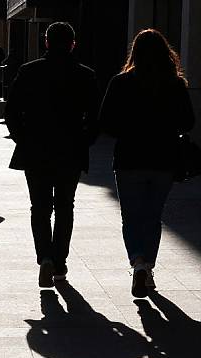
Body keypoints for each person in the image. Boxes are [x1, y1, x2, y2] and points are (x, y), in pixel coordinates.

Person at [99, 29, 195, 298]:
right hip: (163, 158)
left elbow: (105, 120)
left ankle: (138, 261)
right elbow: (188, 122)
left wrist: (128, 130)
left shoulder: (120, 82)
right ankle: (148, 267)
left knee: (131, 216)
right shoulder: (175, 84)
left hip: (129, 157)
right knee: (153, 216)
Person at [5, 21, 98, 288]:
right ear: (72, 44)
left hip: (36, 150)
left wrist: (23, 139)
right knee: (65, 207)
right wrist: (84, 142)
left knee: (40, 207)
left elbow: (12, 112)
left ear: (46, 42)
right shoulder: (85, 75)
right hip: (70, 150)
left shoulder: (29, 71)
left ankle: (44, 256)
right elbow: (94, 118)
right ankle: (59, 260)